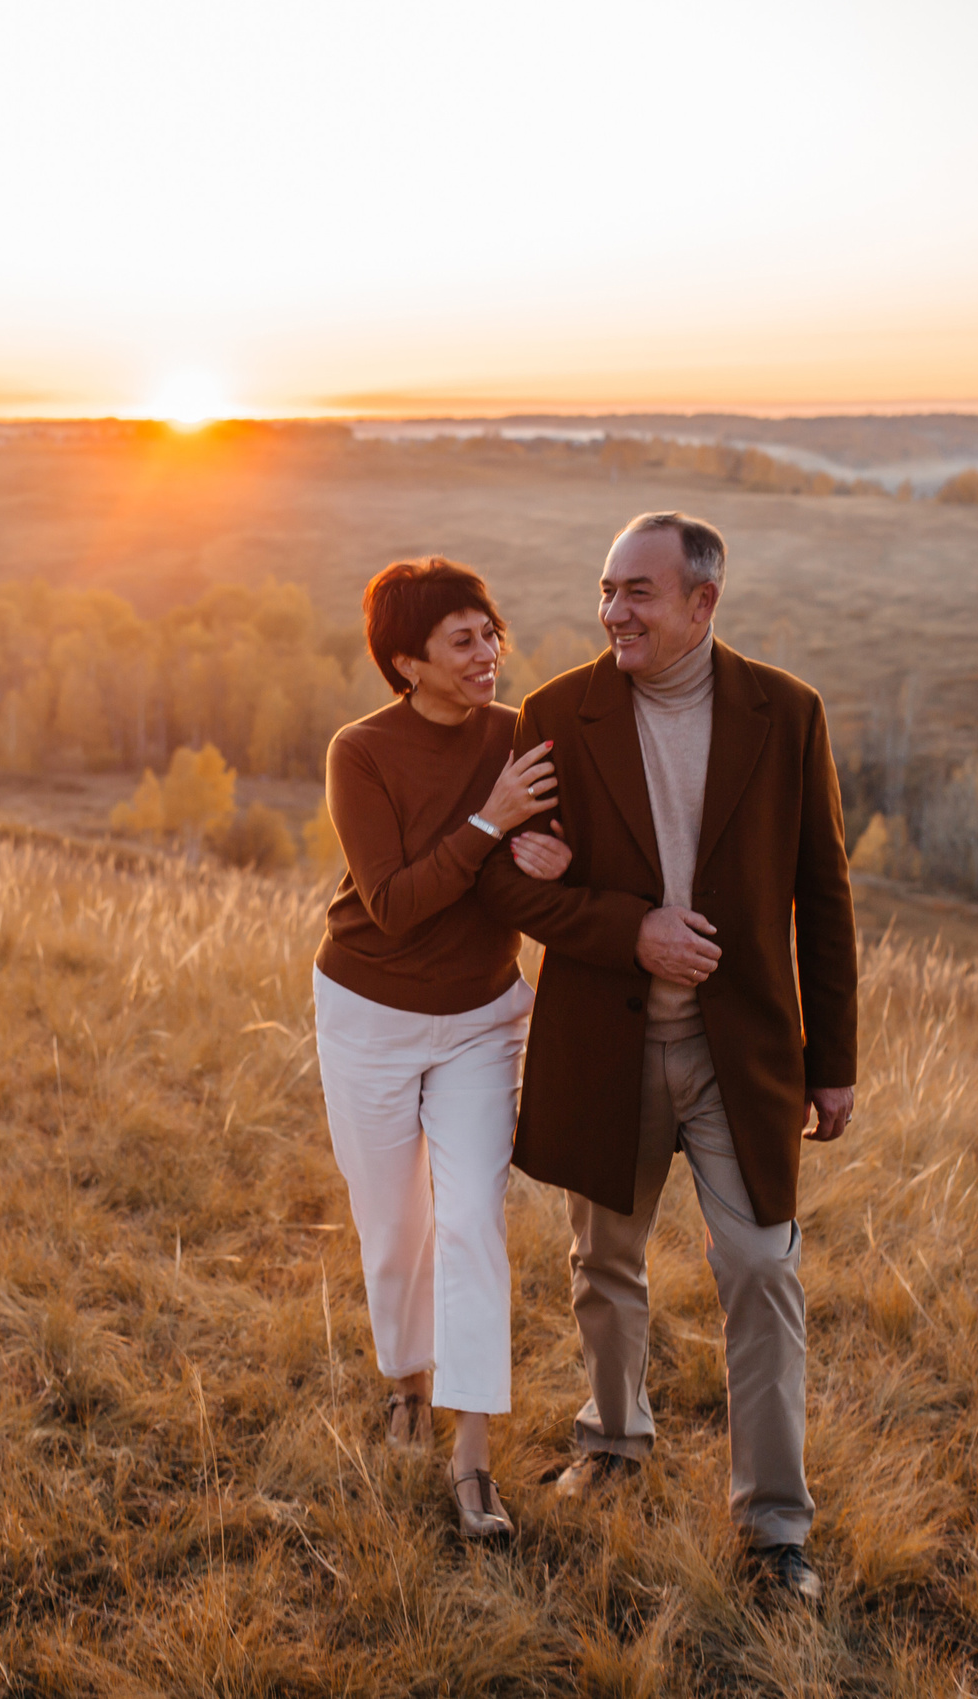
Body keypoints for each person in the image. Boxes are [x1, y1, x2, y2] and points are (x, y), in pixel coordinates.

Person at [476, 511, 858, 1602]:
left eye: (637, 592)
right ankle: (611, 1443)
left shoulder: (785, 713)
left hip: (744, 1056)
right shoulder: (559, 712)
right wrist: (623, 925)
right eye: (605, 590)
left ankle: (774, 1529)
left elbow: (821, 896)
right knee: (604, 1263)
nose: (613, 612)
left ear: (703, 602)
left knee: (761, 1274)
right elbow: (504, 880)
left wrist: (832, 1063)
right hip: (607, 1047)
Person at [314, 556, 572, 1541]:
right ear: (406, 660)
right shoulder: (361, 752)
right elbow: (394, 905)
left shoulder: (522, 737)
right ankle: (405, 1385)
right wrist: (490, 822)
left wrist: (551, 851)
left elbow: (556, 856)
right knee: (392, 1230)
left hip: (481, 1019)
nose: (487, 653)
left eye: (490, 633)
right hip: (367, 1011)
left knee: (470, 1222)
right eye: (462, 640)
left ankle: (472, 1462)